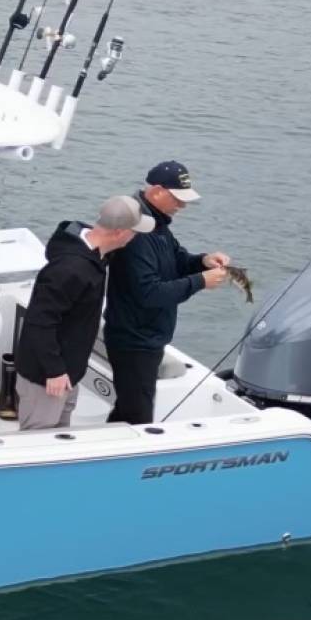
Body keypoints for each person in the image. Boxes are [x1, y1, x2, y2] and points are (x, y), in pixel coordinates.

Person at [103, 160, 231, 425]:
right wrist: (200, 281)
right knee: (137, 417)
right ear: (158, 191)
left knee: (130, 407)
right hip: (133, 339)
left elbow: (176, 259)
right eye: (178, 198)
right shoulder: (138, 230)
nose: (182, 206)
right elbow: (149, 292)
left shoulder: (159, 224)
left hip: (148, 336)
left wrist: (202, 261)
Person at [13, 196, 155, 431]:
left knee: (60, 437)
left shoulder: (95, 252)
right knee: (37, 443)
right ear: (120, 233)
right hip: (46, 379)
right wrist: (55, 370)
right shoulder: (69, 269)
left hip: (68, 373)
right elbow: (39, 321)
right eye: (134, 232)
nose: (135, 238)